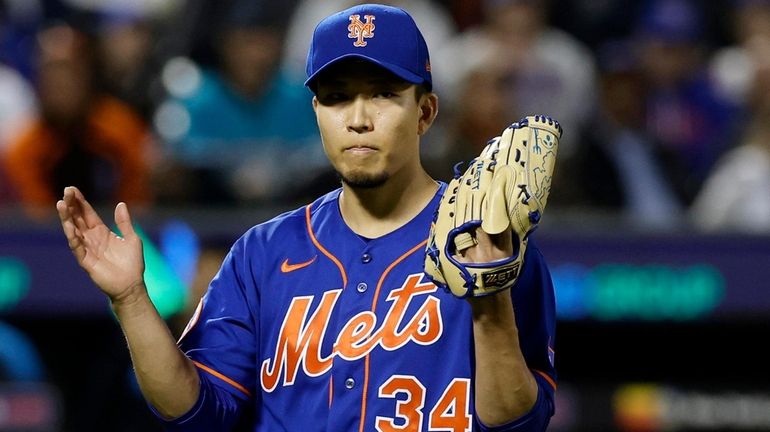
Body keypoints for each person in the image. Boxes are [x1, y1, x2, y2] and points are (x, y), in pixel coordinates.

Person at [56, 4, 557, 431]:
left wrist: (490, 301)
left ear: (425, 112)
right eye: (338, 96)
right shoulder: (263, 252)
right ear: (316, 110)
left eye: (383, 93)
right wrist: (130, 299)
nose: (358, 118)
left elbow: (518, 421)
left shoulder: (490, 243)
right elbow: (194, 408)